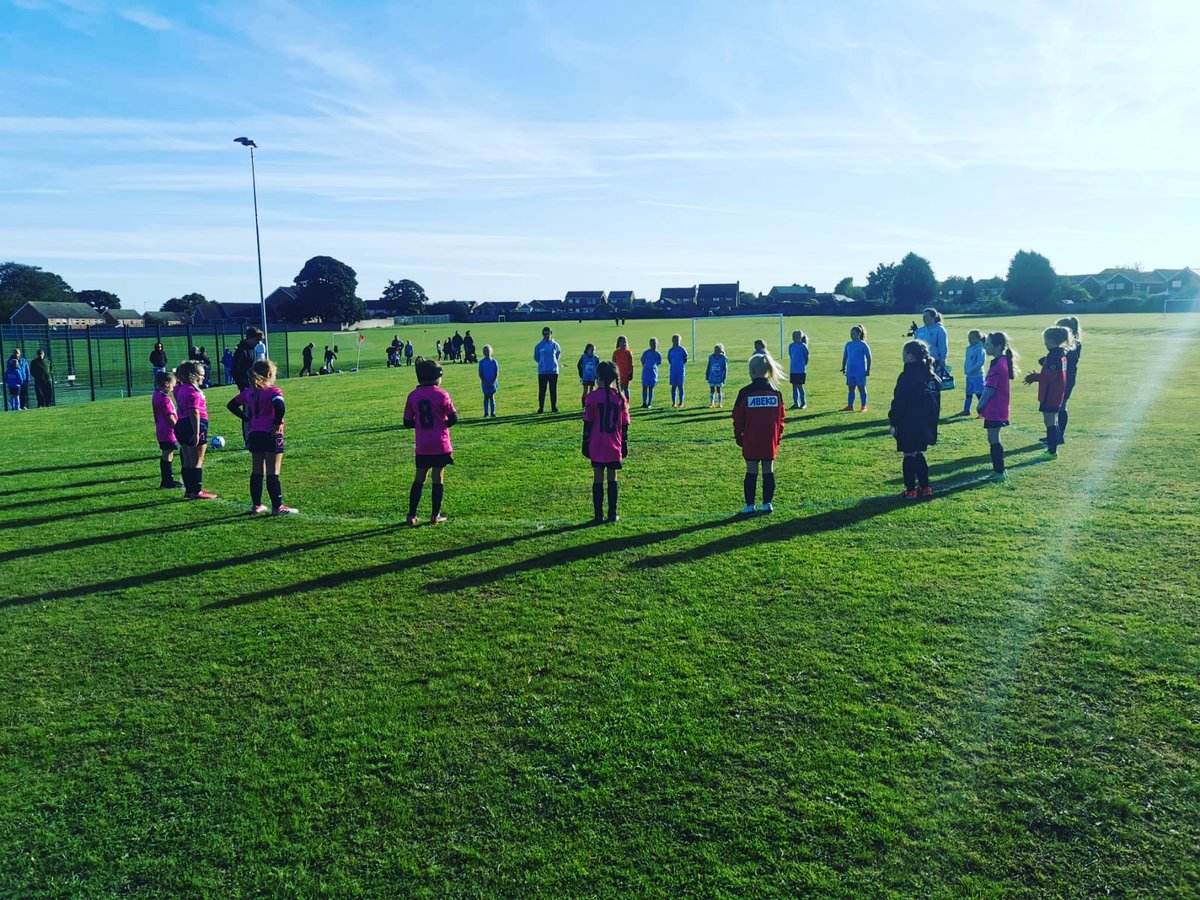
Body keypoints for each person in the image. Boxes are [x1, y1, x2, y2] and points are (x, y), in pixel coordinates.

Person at [227, 359, 296, 515]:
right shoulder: (273, 391)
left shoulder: (249, 392)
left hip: (255, 433)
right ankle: (277, 507)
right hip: (271, 433)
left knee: (257, 470)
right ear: (270, 374)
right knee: (273, 471)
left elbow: (231, 405)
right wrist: (277, 422)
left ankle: (256, 505)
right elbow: (280, 406)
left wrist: (247, 419)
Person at [404, 358, 458, 525]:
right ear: (437, 377)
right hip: (440, 443)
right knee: (438, 477)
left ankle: (412, 515)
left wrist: (420, 425)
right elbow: (453, 418)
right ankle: (435, 515)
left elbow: (407, 422)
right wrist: (441, 424)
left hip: (423, 445)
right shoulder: (442, 394)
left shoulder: (413, 395)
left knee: (419, 478)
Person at [732, 352, 786, 513]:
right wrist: (778, 437)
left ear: (753, 371)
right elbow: (781, 419)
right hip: (770, 439)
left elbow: (738, 417)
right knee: (768, 470)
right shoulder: (776, 394)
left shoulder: (745, 393)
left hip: (751, 438)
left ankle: (750, 505)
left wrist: (739, 436)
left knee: (751, 471)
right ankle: (767, 503)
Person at [888, 339, 941, 499]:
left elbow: (899, 401)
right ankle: (925, 488)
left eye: (904, 353)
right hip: (926, 423)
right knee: (919, 453)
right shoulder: (932, 376)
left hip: (909, 423)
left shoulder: (908, 375)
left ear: (910, 357)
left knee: (909, 454)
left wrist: (893, 421)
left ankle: (910, 490)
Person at [582, 361, 630, 524]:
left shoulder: (592, 397)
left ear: (600, 377)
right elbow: (625, 425)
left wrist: (585, 442)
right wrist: (624, 443)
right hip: (614, 444)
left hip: (597, 444)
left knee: (597, 477)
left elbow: (587, 422)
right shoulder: (620, 398)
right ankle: (612, 514)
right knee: (612, 476)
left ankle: (597, 515)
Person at [1023, 325, 1071, 457]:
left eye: (1045, 340)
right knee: (1051, 421)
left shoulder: (1054, 356)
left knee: (1050, 422)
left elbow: (1050, 376)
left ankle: (1052, 451)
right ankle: (1052, 449)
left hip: (1051, 394)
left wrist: (1034, 377)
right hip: (1055, 392)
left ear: (1050, 340)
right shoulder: (1061, 353)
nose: (1044, 343)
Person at [173, 361, 218, 499]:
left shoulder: (181, 389)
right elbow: (194, 412)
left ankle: (189, 490)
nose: (204, 377)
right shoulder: (193, 392)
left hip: (181, 424)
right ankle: (197, 490)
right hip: (192, 424)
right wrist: (197, 432)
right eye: (201, 374)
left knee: (187, 460)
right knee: (197, 460)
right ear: (193, 376)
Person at [976, 332, 1017, 481]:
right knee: (994, 438)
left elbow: (990, 388)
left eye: (988, 345)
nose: (985, 347)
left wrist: (981, 405)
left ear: (998, 346)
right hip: (1000, 407)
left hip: (995, 408)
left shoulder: (997, 365)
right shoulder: (1004, 361)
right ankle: (999, 471)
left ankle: (999, 472)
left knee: (993, 439)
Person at [1053, 316, 1082, 443]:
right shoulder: (1072, 344)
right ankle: (1054, 432)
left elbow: (1061, 360)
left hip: (1066, 377)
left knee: (1061, 405)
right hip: (1066, 376)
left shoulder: (1071, 345)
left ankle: (1059, 436)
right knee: (1058, 405)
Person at [152, 370, 182, 488]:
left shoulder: (155, 395)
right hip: (168, 431)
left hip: (160, 429)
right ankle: (168, 481)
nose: (174, 388)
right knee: (168, 454)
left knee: (166, 453)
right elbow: (170, 417)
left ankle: (166, 480)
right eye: (173, 385)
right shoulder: (165, 400)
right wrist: (178, 428)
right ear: (167, 384)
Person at [841, 324, 872, 412]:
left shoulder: (863, 345)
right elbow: (845, 357)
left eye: (854, 334)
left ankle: (863, 406)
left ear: (859, 334)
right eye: (851, 334)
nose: (852, 336)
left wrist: (868, 370)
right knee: (851, 388)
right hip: (850, 371)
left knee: (861, 388)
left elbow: (869, 358)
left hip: (860, 371)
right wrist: (843, 367)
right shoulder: (848, 344)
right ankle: (850, 406)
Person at [956, 329, 986, 416]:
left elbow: (980, 362)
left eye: (972, 338)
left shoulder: (980, 349)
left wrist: (972, 369)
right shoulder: (969, 348)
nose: (970, 340)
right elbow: (967, 361)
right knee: (968, 393)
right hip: (969, 375)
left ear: (978, 339)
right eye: (969, 338)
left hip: (977, 375)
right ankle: (966, 410)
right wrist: (966, 369)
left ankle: (983, 412)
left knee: (979, 394)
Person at [533, 326, 561, 413]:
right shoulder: (539, 346)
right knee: (542, 390)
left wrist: (552, 363)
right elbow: (536, 357)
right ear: (542, 334)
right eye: (545, 334)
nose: (546, 336)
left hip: (553, 371)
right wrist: (543, 363)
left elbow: (558, 355)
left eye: (548, 334)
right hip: (542, 371)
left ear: (551, 334)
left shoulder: (555, 345)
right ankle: (541, 408)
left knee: (553, 390)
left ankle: (554, 407)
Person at [915, 307, 949, 376]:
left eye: (926, 317)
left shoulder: (939, 330)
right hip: (920, 360)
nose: (924, 319)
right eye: (923, 317)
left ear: (933, 317)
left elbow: (942, 346)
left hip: (934, 361)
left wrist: (943, 359)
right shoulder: (919, 330)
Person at [787, 330, 809, 410]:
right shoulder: (791, 346)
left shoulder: (803, 346)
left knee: (800, 386)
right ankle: (795, 403)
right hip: (793, 370)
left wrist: (803, 365)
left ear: (801, 338)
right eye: (793, 337)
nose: (795, 338)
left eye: (797, 337)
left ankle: (803, 403)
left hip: (800, 370)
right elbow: (791, 356)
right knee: (794, 387)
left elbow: (806, 357)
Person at [667, 334, 688, 408]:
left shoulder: (682, 349)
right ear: (672, 341)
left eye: (678, 340)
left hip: (680, 371)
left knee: (680, 386)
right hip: (673, 371)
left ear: (680, 341)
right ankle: (673, 402)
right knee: (673, 387)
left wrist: (680, 365)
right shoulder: (671, 350)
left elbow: (685, 358)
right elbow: (669, 359)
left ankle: (681, 402)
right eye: (675, 340)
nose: (676, 341)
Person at [640, 337, 661, 409]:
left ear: (657, 344)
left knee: (651, 388)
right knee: (644, 387)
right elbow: (642, 361)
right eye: (652, 343)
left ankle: (650, 403)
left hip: (653, 373)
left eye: (654, 343)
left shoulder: (658, 354)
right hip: (646, 372)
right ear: (649, 344)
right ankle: (644, 402)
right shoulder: (646, 353)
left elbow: (658, 363)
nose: (653, 345)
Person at [478, 344, 498, 417]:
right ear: (483, 353)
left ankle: (493, 412)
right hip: (485, 382)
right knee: (486, 396)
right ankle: (486, 413)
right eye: (486, 351)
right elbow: (480, 373)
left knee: (492, 396)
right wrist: (484, 381)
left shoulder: (494, 361)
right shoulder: (482, 362)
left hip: (493, 382)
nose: (487, 353)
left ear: (491, 352)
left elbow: (496, 372)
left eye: (488, 351)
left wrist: (493, 381)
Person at [612, 335, 633, 402]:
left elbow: (631, 364)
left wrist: (631, 373)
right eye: (622, 342)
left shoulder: (628, 352)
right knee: (619, 389)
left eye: (625, 342)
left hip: (626, 373)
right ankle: (620, 402)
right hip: (618, 374)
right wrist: (614, 373)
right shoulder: (616, 353)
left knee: (626, 388)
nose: (624, 343)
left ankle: (627, 402)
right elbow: (613, 363)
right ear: (618, 343)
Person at [577, 343, 599, 407]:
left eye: (594, 350)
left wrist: (597, 376)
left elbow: (598, 367)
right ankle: (584, 404)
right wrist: (581, 375)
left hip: (592, 377)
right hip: (586, 377)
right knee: (585, 391)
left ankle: (591, 404)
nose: (593, 351)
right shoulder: (583, 357)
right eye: (591, 349)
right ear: (587, 350)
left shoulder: (596, 358)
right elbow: (579, 365)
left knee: (591, 392)